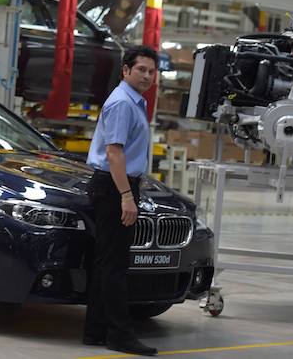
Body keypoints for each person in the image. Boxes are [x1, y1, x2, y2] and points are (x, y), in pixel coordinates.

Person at [83, 45, 159, 356]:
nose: (147, 75)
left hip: (117, 185)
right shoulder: (123, 104)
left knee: (106, 263)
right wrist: (126, 196)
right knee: (115, 266)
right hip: (115, 186)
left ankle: (96, 330)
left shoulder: (132, 102)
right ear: (126, 70)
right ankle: (120, 335)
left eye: (152, 71)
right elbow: (114, 152)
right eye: (141, 69)